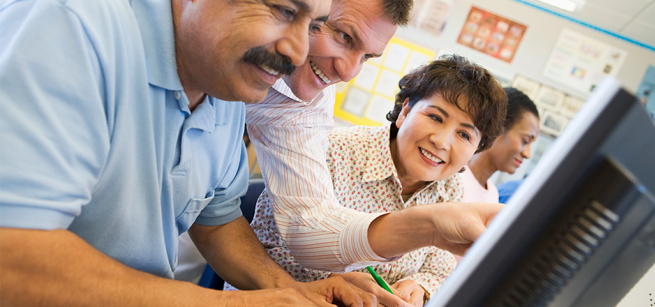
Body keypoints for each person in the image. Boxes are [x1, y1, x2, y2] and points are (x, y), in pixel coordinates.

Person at [0, 0, 378, 306]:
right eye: (283, 10)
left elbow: (215, 219)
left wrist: (288, 289)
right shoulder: (74, 26)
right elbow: (12, 258)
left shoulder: (225, 80)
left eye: (313, 25)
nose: (298, 53)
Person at [241, 55, 508, 306]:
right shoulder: (333, 152)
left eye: (464, 135)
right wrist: (329, 282)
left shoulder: (450, 188)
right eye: (435, 117)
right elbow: (262, 249)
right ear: (405, 112)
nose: (441, 141)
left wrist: (418, 285)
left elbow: (438, 268)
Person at [461, 87, 540, 204]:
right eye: (525, 141)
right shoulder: (451, 177)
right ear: (497, 127)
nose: (527, 154)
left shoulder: (493, 197)